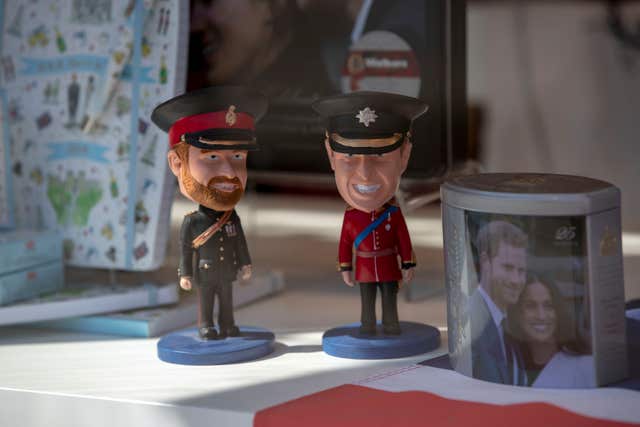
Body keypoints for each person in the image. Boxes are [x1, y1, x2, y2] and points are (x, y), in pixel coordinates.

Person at [151, 86, 267, 340]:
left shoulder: (232, 218)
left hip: (227, 271)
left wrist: (245, 263)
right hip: (205, 271)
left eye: (238, 155)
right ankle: (206, 325)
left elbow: (239, 241)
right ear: (177, 164)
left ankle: (227, 325)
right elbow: (186, 250)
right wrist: (185, 274)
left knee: (226, 300)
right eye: (212, 156)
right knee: (205, 301)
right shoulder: (192, 222)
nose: (229, 170)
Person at [312, 91, 427, 335]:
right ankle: (367, 325)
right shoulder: (352, 216)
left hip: (387, 265)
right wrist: (346, 267)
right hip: (364, 266)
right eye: (350, 156)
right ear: (331, 155)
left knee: (388, 297)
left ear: (404, 155)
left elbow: (403, 239)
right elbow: (345, 242)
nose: (365, 174)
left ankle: (390, 324)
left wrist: (407, 263)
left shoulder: (393, 214)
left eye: (380, 155)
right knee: (367, 300)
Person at [469, 220, 528, 385]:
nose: (516, 280)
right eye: (508, 268)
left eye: (521, 270)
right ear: (485, 262)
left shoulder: (510, 323)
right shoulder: (470, 323)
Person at [509, 275, 595, 388]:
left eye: (548, 306)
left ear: (558, 311)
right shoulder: (507, 368)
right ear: (517, 315)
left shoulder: (585, 366)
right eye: (531, 306)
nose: (541, 316)